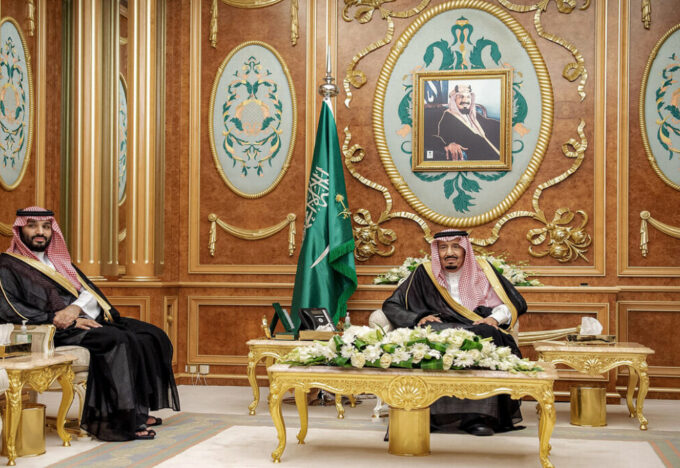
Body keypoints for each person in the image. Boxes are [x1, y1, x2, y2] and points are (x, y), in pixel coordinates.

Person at [0, 207, 180, 441]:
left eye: (46, 227)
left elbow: (89, 292)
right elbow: (8, 307)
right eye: (32, 226)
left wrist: (75, 308)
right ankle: (119, 420)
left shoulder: (58, 259)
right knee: (116, 340)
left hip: (84, 318)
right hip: (52, 329)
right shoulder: (8, 265)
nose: (40, 232)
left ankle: (137, 410)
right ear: (19, 229)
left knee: (151, 334)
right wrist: (56, 318)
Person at [382, 229, 527, 436]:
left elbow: (513, 302)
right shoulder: (425, 273)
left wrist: (495, 318)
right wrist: (418, 318)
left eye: (456, 246)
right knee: (426, 334)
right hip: (441, 328)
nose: (449, 252)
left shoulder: (484, 270)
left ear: (465, 249)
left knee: (488, 334)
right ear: (437, 251)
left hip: (477, 327)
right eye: (443, 247)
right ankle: (428, 414)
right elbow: (391, 305)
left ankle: (478, 417)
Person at [435, 84, 501, 161]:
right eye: (461, 97)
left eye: (468, 97)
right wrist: (450, 144)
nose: (465, 100)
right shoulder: (447, 117)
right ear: (454, 100)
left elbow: (488, 124)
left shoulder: (472, 114)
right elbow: (441, 136)